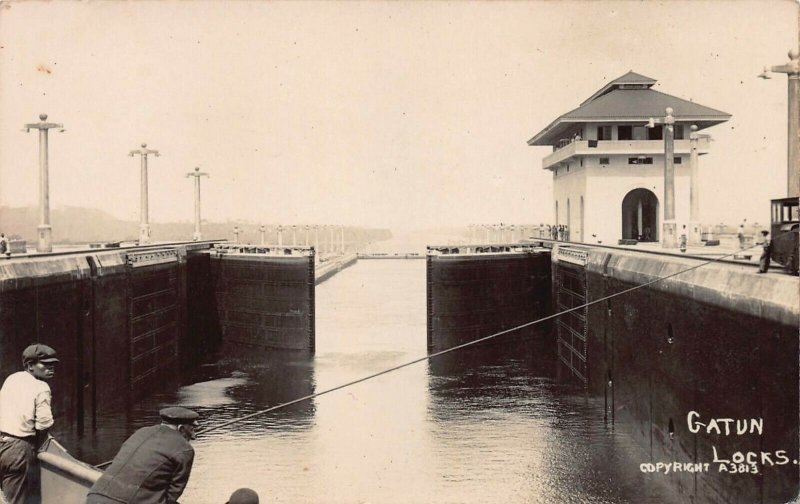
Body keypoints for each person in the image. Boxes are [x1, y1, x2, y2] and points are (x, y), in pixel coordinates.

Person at [86, 407, 199, 504]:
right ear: (181, 428)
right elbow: (172, 495)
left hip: (94, 496)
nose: (194, 436)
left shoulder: (141, 432)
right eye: (192, 429)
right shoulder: (185, 449)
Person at [0, 344, 59, 504]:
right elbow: (43, 424)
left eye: (52, 364)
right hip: (20, 449)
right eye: (45, 364)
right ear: (30, 366)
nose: (51, 367)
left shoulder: (12, 379)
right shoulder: (41, 387)